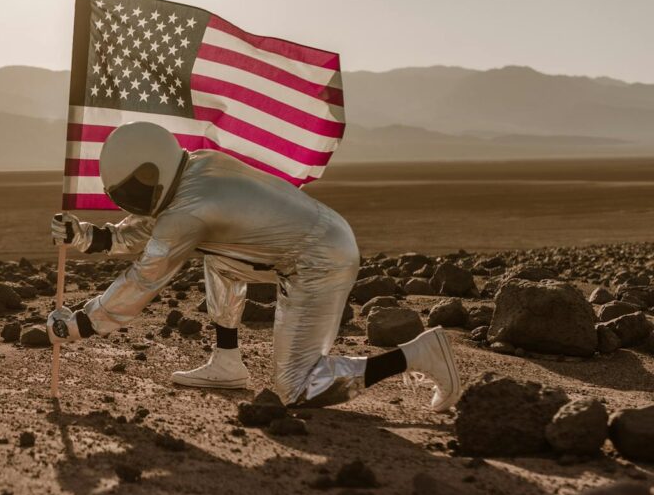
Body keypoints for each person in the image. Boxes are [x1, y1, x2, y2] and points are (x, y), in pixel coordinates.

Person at [46, 121, 461, 410]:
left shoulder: (189, 212)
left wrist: (82, 323)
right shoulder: (196, 169)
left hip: (319, 260)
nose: (130, 199)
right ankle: (227, 363)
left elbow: (145, 277)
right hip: (315, 239)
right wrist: (84, 236)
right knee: (218, 257)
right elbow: (149, 228)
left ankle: (418, 354)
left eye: (134, 189)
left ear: (155, 171)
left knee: (296, 388)